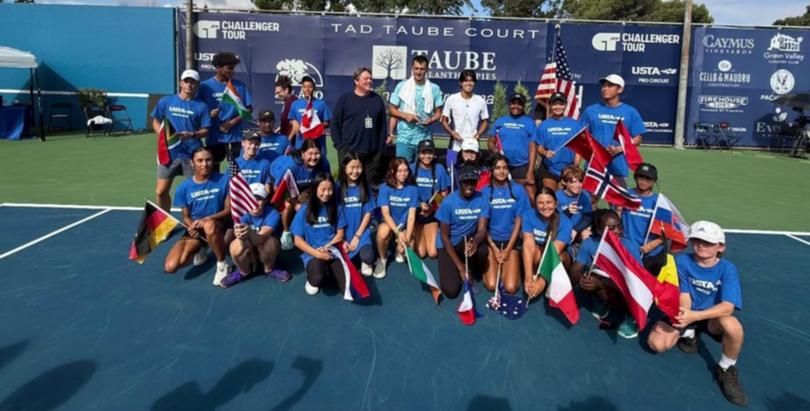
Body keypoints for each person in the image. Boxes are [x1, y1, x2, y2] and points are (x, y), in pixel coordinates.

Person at [647, 221, 748, 406]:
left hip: (712, 318)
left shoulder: (728, 269)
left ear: (721, 246)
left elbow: (728, 307)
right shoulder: (682, 262)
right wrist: (685, 316)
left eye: (708, 242)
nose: (701, 245)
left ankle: (726, 367)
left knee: (733, 326)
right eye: (697, 240)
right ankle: (691, 333)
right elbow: (683, 292)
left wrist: (695, 317)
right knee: (657, 344)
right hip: (689, 312)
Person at [164, 147, 231, 286]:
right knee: (171, 266)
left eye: (208, 160)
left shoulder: (224, 180)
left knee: (209, 225)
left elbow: (228, 210)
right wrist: (191, 226)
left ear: (213, 161)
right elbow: (186, 216)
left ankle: (222, 264)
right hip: (197, 228)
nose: (204, 164)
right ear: (192, 163)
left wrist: (207, 219)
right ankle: (203, 246)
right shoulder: (183, 188)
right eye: (200, 160)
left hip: (220, 224)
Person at [569, 209, 642, 338]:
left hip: (625, 290)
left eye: (619, 226)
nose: (618, 231)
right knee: (588, 280)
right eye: (612, 228)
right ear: (599, 231)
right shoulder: (589, 243)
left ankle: (633, 317)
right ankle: (604, 302)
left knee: (599, 282)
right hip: (605, 285)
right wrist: (581, 280)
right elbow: (575, 269)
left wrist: (600, 284)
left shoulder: (630, 247)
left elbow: (638, 284)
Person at [151, 69, 211, 212]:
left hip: (192, 155)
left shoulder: (201, 106)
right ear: (181, 83)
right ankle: (165, 221)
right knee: (160, 191)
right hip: (169, 154)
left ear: (197, 85)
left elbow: (206, 130)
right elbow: (155, 120)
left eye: (193, 82)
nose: (189, 85)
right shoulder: (166, 101)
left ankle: (194, 222)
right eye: (187, 81)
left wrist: (192, 134)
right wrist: (163, 136)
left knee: (196, 191)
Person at [435, 165, 491, 298]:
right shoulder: (448, 203)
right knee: (451, 291)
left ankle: (470, 269)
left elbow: (482, 231)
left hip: (466, 240)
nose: (469, 185)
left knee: (482, 250)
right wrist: (460, 267)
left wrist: (476, 242)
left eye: (472, 182)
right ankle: (459, 267)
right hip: (448, 244)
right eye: (465, 182)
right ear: (459, 182)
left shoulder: (482, 198)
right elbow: (444, 237)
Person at [579, 74, 646, 185]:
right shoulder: (590, 110)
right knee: (591, 200)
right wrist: (591, 149)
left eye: (610, 86)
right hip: (595, 164)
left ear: (620, 89)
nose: (605, 89)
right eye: (604, 86)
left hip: (619, 166)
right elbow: (581, 135)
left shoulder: (630, 112)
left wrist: (620, 148)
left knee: (618, 201)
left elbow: (638, 138)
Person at [222, 183, 289, 287]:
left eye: (259, 199)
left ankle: (269, 269)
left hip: (265, 248)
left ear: (265, 200)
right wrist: (245, 243)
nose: (254, 203)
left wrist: (248, 231)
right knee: (235, 246)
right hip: (248, 248)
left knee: (270, 242)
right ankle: (244, 271)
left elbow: (261, 239)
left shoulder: (273, 213)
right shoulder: (240, 213)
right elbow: (241, 240)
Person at [291, 172, 348, 296]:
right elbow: (297, 240)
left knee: (347, 288)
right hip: (312, 253)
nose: (327, 194)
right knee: (317, 278)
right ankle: (313, 274)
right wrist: (318, 253)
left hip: (332, 251)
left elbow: (340, 234)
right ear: (315, 189)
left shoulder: (336, 207)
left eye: (330, 190)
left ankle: (328, 271)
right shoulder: (305, 210)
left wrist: (328, 247)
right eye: (323, 190)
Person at [481, 154, 530, 294]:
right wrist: (493, 248)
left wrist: (508, 249)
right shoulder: (484, 192)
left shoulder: (518, 190)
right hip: (491, 241)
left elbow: (519, 221)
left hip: (511, 241)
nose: (501, 171)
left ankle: (509, 267)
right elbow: (483, 225)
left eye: (504, 168)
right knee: (491, 285)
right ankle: (492, 269)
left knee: (511, 287)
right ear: (491, 170)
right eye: (497, 168)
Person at [270, 139, 332, 251]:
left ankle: (311, 231)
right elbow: (277, 189)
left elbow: (327, 184)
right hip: (282, 182)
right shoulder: (291, 166)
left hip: (306, 186)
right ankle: (286, 232)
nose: (314, 157)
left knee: (314, 201)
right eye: (310, 154)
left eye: (317, 153)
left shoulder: (323, 163)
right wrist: (294, 203)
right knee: (288, 207)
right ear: (303, 154)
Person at [331, 67, 388, 188]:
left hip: (372, 156)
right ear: (356, 81)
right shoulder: (345, 100)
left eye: (371, 78)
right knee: (348, 187)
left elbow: (383, 126)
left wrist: (380, 148)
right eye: (365, 78)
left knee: (368, 189)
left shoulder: (377, 100)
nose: (369, 81)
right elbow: (335, 124)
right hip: (349, 154)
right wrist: (340, 147)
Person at [198, 52, 253, 168]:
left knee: (236, 170)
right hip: (214, 136)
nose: (232, 71)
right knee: (212, 169)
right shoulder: (204, 87)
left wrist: (231, 123)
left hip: (235, 136)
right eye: (229, 68)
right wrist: (208, 114)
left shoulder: (239, 86)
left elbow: (249, 109)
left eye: (233, 68)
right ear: (218, 68)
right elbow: (197, 110)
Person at [521, 187, 573, 301]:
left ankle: (546, 279)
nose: (545, 207)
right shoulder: (528, 215)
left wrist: (541, 282)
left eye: (549, 202)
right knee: (532, 248)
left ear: (556, 203)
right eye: (540, 203)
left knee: (559, 256)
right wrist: (528, 277)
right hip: (539, 253)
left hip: (557, 257)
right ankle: (534, 275)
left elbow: (553, 252)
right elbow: (528, 245)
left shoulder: (566, 222)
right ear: (535, 204)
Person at [389, 55, 443, 162]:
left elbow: (438, 113)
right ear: (412, 68)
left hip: (424, 138)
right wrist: (405, 115)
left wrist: (431, 120)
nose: (419, 72)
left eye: (422, 69)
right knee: (402, 172)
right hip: (404, 139)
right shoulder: (401, 86)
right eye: (416, 68)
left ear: (427, 70)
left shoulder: (434, 88)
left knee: (422, 174)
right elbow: (391, 110)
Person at [375, 157, 419, 278]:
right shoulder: (385, 187)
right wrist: (398, 233)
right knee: (383, 233)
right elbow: (386, 213)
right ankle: (382, 258)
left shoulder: (413, 189)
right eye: (399, 170)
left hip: (404, 225)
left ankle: (398, 248)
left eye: (405, 170)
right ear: (393, 171)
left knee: (405, 255)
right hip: (389, 224)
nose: (403, 174)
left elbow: (411, 217)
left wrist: (407, 237)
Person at [489, 93, 537, 199]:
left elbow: (533, 147)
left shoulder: (529, 122)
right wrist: (495, 150)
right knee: (505, 196)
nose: (516, 106)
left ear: (523, 106)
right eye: (513, 103)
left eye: (519, 104)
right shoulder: (500, 121)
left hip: (522, 165)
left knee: (530, 197)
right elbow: (491, 141)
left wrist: (530, 171)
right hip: (503, 165)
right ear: (509, 105)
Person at [337, 152, 377, 277]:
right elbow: (334, 216)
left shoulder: (364, 187)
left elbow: (368, 213)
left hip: (360, 233)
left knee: (368, 257)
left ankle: (365, 261)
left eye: (358, 167)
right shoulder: (337, 188)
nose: (355, 171)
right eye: (352, 167)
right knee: (339, 264)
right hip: (342, 233)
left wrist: (357, 236)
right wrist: (342, 239)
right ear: (344, 168)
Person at [621, 163, 665, 276]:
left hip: (651, 253)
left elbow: (668, 231)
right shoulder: (625, 195)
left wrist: (652, 245)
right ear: (635, 177)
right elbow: (614, 221)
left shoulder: (659, 202)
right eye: (641, 177)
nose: (643, 181)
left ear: (654, 181)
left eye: (648, 179)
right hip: (628, 250)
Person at [441, 70, 489, 172]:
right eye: (466, 80)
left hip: (473, 144)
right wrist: (452, 132)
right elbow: (444, 120)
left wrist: (478, 134)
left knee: (473, 172)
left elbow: (485, 121)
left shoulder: (480, 100)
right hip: (455, 143)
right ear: (460, 83)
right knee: (451, 171)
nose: (469, 83)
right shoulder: (451, 99)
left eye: (471, 81)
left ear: (474, 83)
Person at [410, 140, 451, 259]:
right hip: (415, 214)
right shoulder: (411, 169)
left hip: (431, 214)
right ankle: (414, 233)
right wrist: (419, 205)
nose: (427, 156)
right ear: (418, 154)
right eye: (423, 152)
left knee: (433, 253)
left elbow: (444, 195)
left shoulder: (440, 169)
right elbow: (405, 193)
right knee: (421, 253)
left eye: (430, 153)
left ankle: (431, 231)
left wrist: (431, 207)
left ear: (434, 154)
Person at [535, 92, 582, 191]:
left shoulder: (575, 125)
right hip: (549, 169)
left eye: (561, 104)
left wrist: (576, 164)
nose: (558, 107)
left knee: (563, 201)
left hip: (568, 169)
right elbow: (539, 146)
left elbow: (580, 147)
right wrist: (545, 152)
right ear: (550, 106)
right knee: (550, 197)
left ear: (565, 105)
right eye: (554, 104)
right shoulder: (544, 125)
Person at [288, 75, 331, 154]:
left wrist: (316, 127)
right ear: (302, 88)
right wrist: (294, 122)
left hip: (318, 145)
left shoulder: (321, 104)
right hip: (300, 144)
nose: (307, 89)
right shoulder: (295, 104)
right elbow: (291, 119)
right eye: (305, 87)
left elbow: (328, 122)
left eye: (310, 87)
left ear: (314, 88)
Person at [556, 166, 594, 242]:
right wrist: (567, 212)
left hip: (578, 229)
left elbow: (587, 218)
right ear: (564, 182)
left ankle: (579, 249)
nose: (578, 185)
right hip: (561, 229)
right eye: (573, 182)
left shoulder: (584, 196)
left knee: (587, 234)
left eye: (580, 182)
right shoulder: (557, 196)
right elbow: (555, 219)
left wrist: (576, 229)